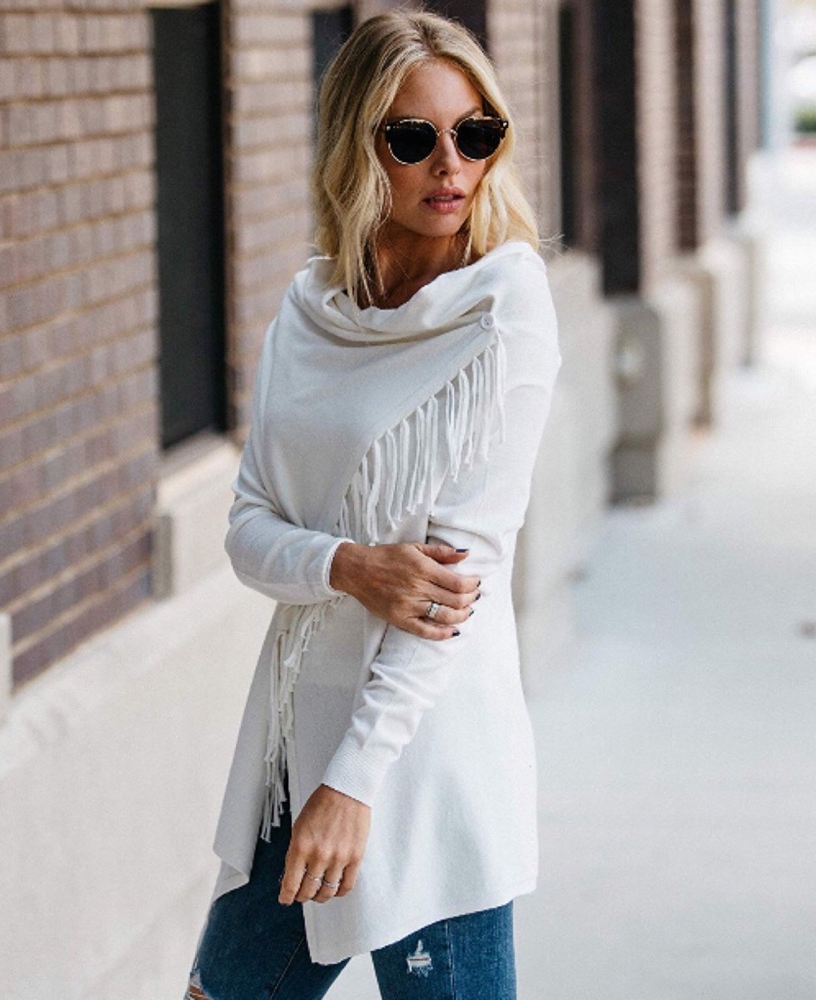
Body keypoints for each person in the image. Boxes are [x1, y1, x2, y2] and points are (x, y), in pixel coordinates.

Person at [184, 10, 561, 1000]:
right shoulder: (308, 311)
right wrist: (349, 566)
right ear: (358, 147)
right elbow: (249, 532)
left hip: (422, 753)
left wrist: (354, 783)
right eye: (413, 137)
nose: (451, 164)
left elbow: (451, 590)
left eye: (475, 133)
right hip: (296, 739)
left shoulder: (504, 308)